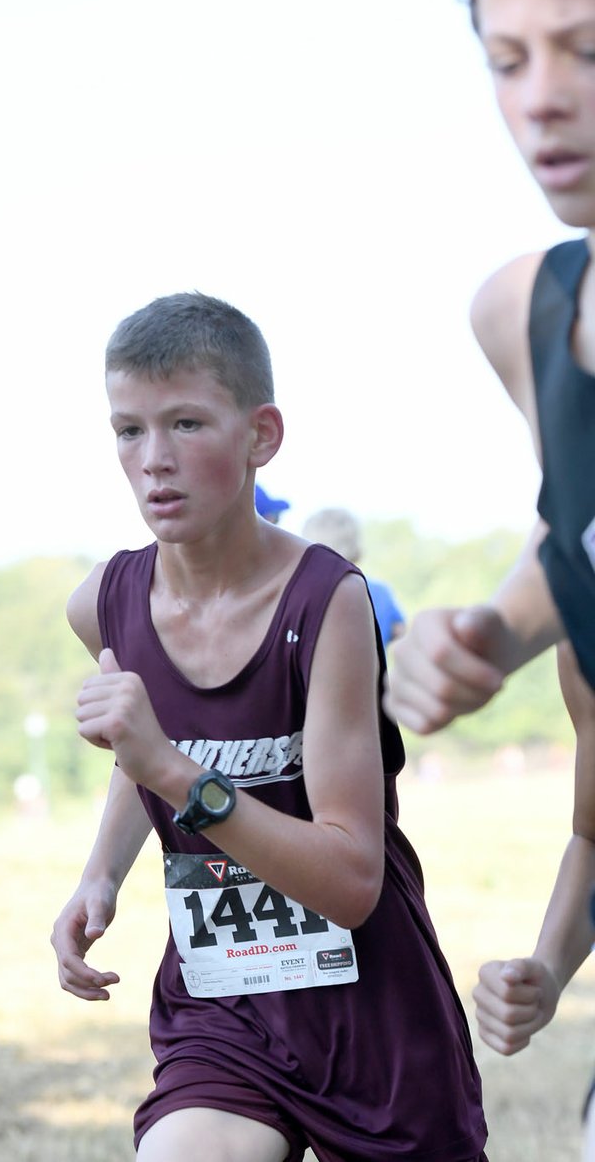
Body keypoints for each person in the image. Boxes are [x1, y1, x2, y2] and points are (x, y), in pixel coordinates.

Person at [51, 293, 487, 1161]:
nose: (154, 461)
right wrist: (100, 873)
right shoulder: (103, 603)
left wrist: (170, 771)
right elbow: (148, 748)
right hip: (226, 1008)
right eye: (127, 431)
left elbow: (350, 878)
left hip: (368, 1001)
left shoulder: (329, 603)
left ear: (262, 435)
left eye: (185, 423)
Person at [382, 0, 595, 1147]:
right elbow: (573, 530)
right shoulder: (521, 314)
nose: (541, 102)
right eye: (506, 62)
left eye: (586, 52)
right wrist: (489, 636)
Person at [301, 507, 406, 647]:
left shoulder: (303, 593)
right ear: (355, 544)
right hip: (372, 668)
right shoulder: (380, 592)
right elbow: (400, 633)